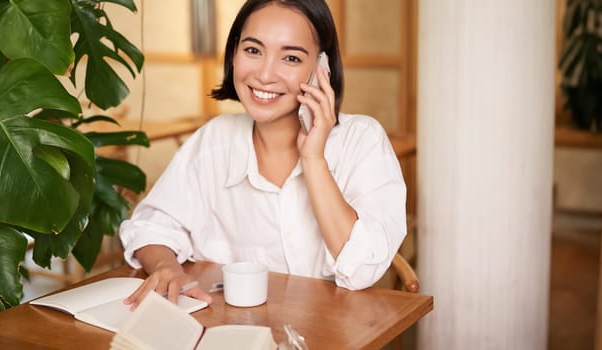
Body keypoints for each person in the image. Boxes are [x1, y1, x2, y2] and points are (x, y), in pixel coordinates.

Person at [120, 0, 406, 307]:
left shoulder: (362, 141)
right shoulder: (215, 139)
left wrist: (313, 160)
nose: (265, 75)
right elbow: (152, 224)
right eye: (253, 50)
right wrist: (166, 267)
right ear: (233, 54)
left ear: (321, 69)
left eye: (291, 58)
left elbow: (362, 269)